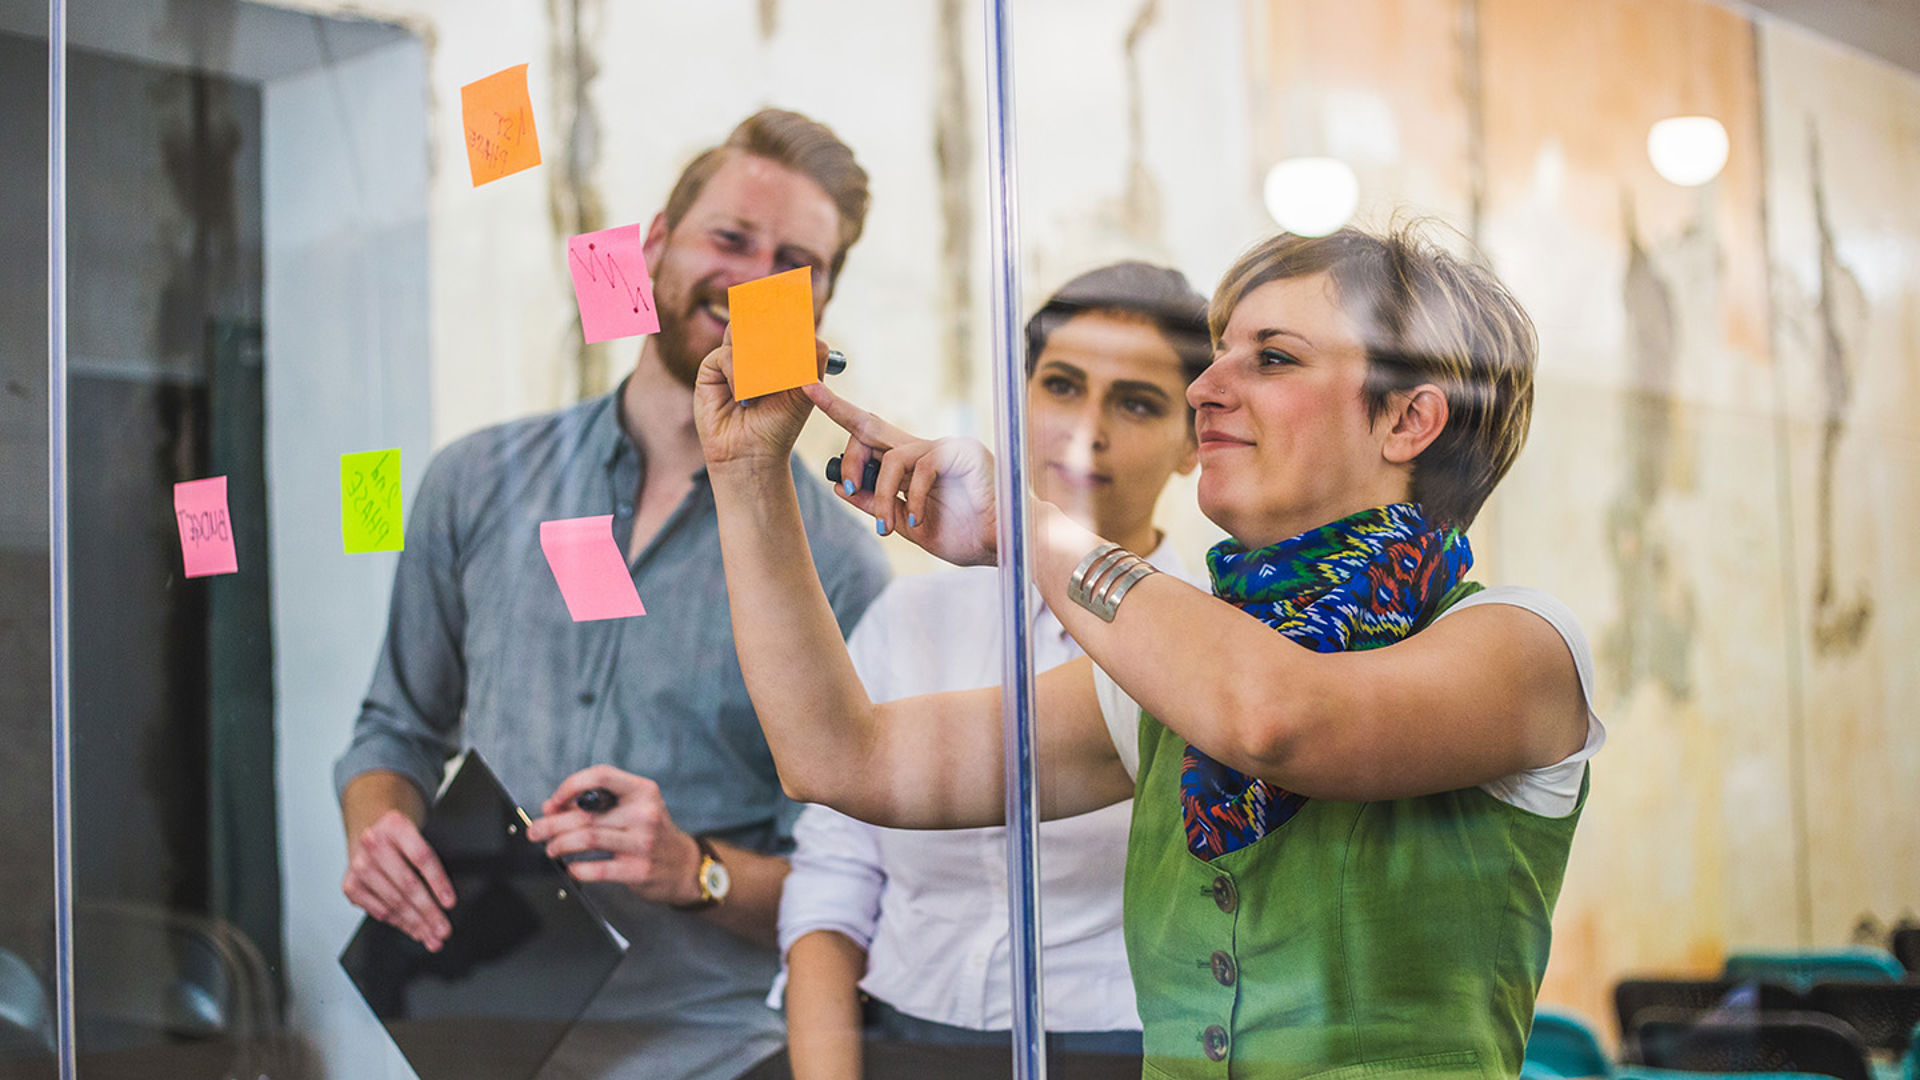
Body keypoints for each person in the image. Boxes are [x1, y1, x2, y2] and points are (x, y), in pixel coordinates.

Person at [693, 224, 1604, 1078]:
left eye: (1273, 358)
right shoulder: (1167, 675)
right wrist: (748, 478)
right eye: (1217, 357)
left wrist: (1027, 526)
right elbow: (839, 758)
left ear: (1408, 421)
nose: (1205, 390)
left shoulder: (1522, 645)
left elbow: (1276, 718)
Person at [334, 109, 891, 1080]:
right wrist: (378, 826)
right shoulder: (473, 480)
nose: (754, 274)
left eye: (793, 262)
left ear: (818, 305)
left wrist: (698, 869)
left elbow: (854, 886)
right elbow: (394, 728)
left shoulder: (842, 566)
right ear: (654, 245)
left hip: (714, 1054)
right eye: (729, 237)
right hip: (474, 1038)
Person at [777, 263, 1209, 1079]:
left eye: (1138, 402)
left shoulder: (1212, 641)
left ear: (1194, 443)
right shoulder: (910, 621)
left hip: (1129, 1053)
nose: (1088, 429)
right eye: (1062, 386)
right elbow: (832, 884)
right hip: (898, 1041)